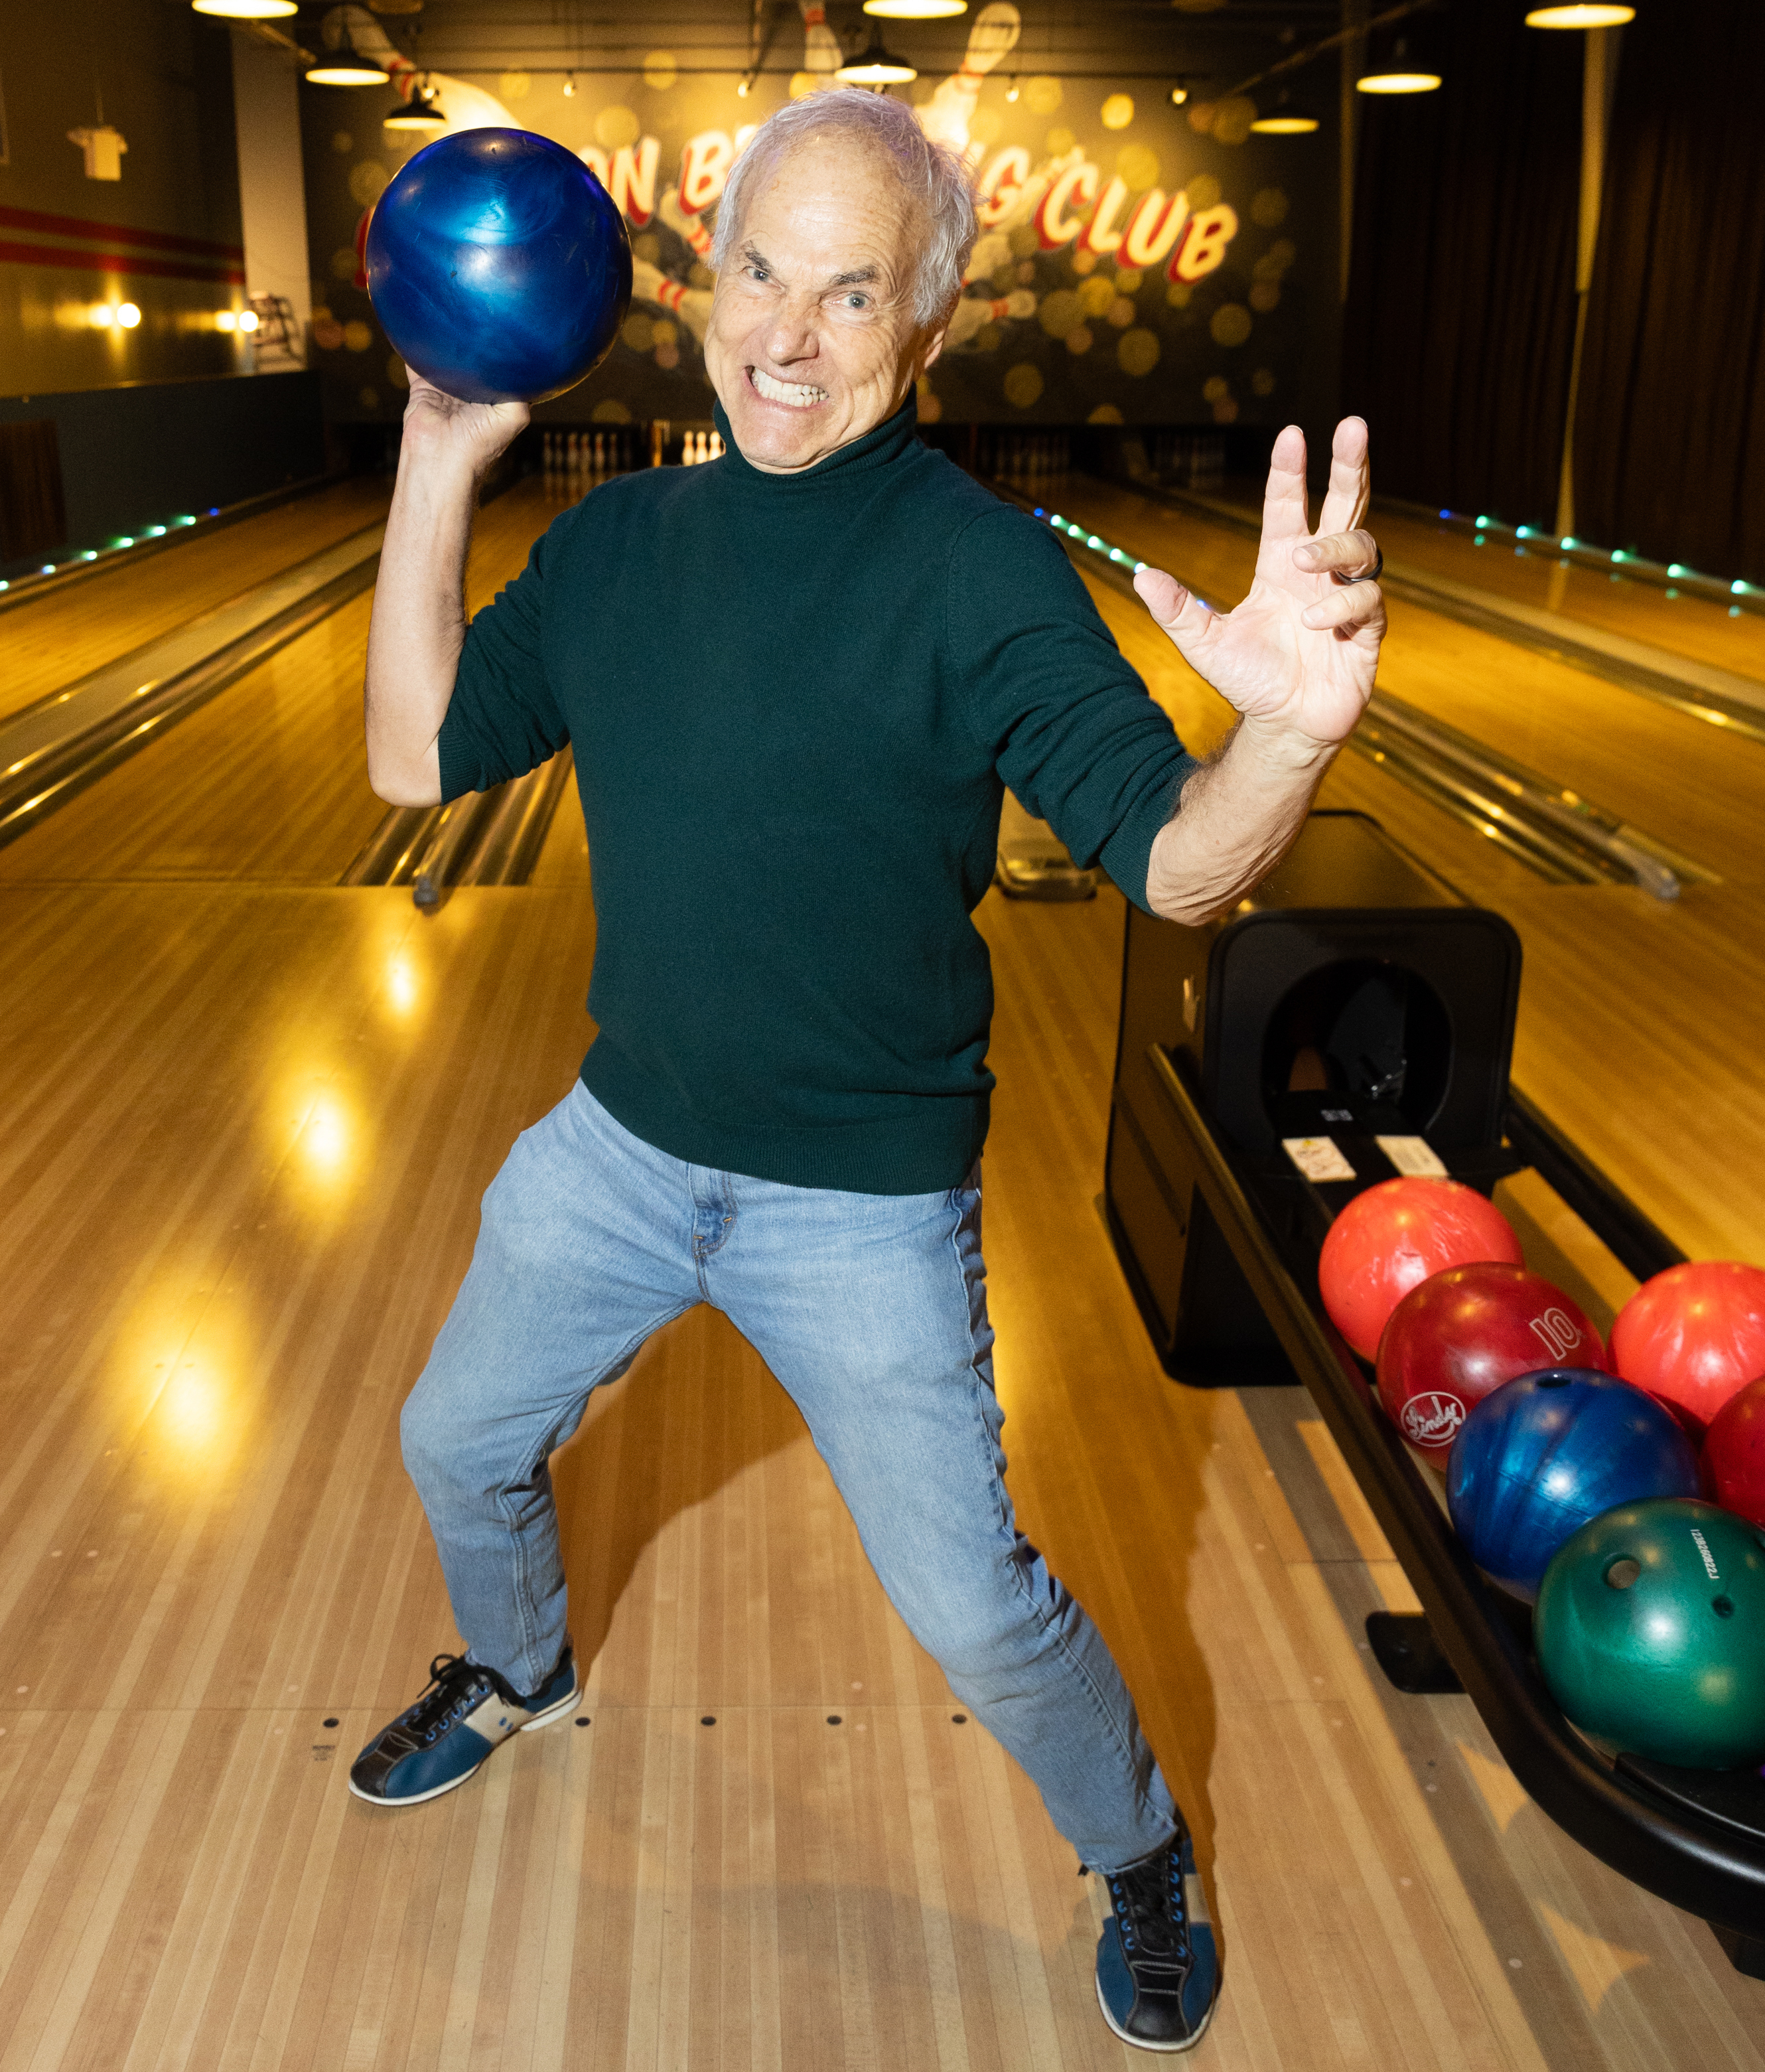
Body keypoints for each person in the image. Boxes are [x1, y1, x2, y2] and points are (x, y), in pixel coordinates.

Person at [350, 87, 1386, 2057]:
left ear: (928, 320)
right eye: (756, 272)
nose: (784, 341)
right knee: (450, 1440)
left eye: (848, 295)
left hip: (860, 1203)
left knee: (979, 1606)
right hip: (620, 1150)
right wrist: (434, 448)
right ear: (699, 277)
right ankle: (517, 1667)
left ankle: (1142, 1847)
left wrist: (1286, 743)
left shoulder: (979, 573)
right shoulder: (619, 543)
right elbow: (413, 758)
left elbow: (1176, 865)